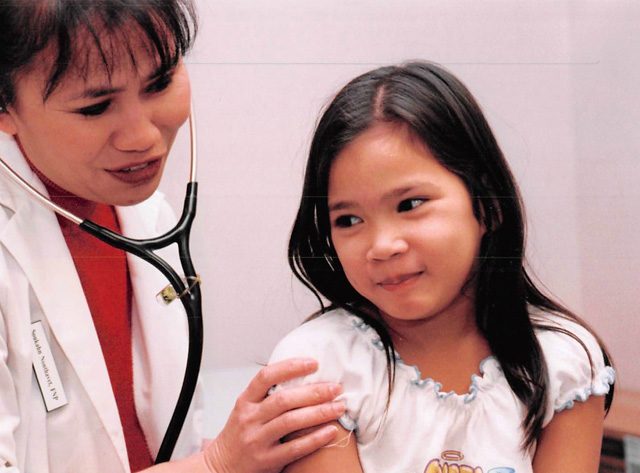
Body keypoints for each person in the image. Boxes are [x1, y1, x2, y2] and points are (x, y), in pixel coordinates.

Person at [0, 1, 345, 472]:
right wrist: (217, 464)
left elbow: (152, 439)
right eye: (95, 107)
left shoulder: (145, 214)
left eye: (160, 82)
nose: (142, 137)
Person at [269, 61, 616, 473]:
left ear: (487, 204)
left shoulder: (562, 360)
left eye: (410, 204)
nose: (382, 246)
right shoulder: (319, 367)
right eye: (349, 220)